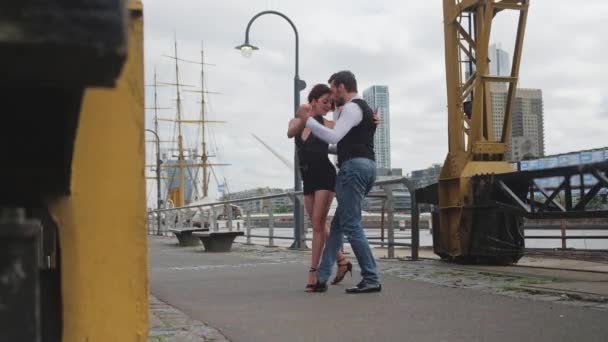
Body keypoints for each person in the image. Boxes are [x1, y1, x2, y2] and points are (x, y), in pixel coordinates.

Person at [292, 70, 381, 294]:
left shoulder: (352, 108)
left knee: (350, 225)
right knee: (339, 226)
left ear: (340, 87)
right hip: (363, 167)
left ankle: (371, 277)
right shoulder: (359, 110)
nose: (332, 96)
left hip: (353, 169)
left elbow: (333, 137)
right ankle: (322, 276)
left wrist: (309, 121)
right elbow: (340, 143)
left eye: (332, 89)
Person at [287, 84, 353, 292]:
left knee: (317, 225)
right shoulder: (298, 121)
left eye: (331, 103)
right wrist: (305, 115)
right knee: (318, 223)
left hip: (325, 176)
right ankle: (342, 261)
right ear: (313, 100)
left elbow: (349, 135)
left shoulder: (329, 124)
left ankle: (313, 273)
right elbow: (290, 133)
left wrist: (372, 123)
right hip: (308, 178)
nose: (328, 106)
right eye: (324, 102)